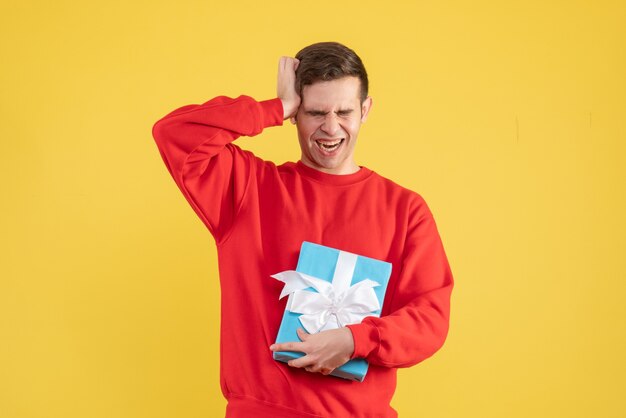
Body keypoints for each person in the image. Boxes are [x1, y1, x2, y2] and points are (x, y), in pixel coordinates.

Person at [152, 41, 454, 418]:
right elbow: (174, 133)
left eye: (344, 111)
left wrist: (354, 340)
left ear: (366, 110)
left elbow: (430, 318)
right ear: (297, 113)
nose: (331, 128)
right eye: (314, 112)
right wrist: (274, 108)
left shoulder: (405, 210)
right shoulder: (247, 188)